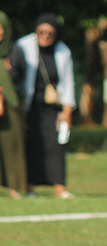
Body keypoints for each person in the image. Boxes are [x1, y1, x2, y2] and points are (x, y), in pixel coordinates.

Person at [9, 13, 76, 199]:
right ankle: (29, 188)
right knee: (30, 147)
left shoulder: (63, 51)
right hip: (29, 106)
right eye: (42, 32)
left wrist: (67, 112)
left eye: (50, 33)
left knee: (56, 147)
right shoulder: (23, 46)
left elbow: (68, 83)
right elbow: (14, 74)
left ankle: (60, 188)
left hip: (52, 108)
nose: (46, 36)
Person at [0, 11, 28, 198]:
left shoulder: (15, 50)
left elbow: (21, 75)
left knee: (12, 144)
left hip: (11, 103)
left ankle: (15, 187)